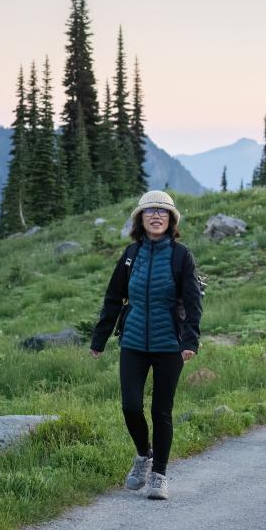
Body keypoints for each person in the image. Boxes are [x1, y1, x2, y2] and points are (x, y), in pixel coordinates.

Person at [90, 190, 202, 500]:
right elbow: (114, 297)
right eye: (150, 211)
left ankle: (159, 475)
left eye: (163, 212)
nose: (156, 216)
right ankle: (143, 455)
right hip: (134, 342)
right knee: (130, 406)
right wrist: (100, 338)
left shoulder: (182, 256)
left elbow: (193, 303)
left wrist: (190, 340)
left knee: (161, 411)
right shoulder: (131, 255)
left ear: (171, 220)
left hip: (170, 344)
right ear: (140, 219)